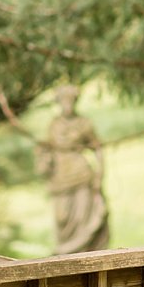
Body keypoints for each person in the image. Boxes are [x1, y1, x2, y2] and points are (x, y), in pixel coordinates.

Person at [40, 84, 109, 254]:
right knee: (62, 218)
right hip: (60, 176)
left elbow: (97, 148)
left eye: (70, 100)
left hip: (81, 174)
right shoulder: (54, 125)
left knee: (81, 219)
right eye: (63, 100)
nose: (67, 104)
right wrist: (45, 158)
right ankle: (64, 255)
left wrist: (99, 176)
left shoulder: (84, 123)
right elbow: (45, 149)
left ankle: (82, 257)